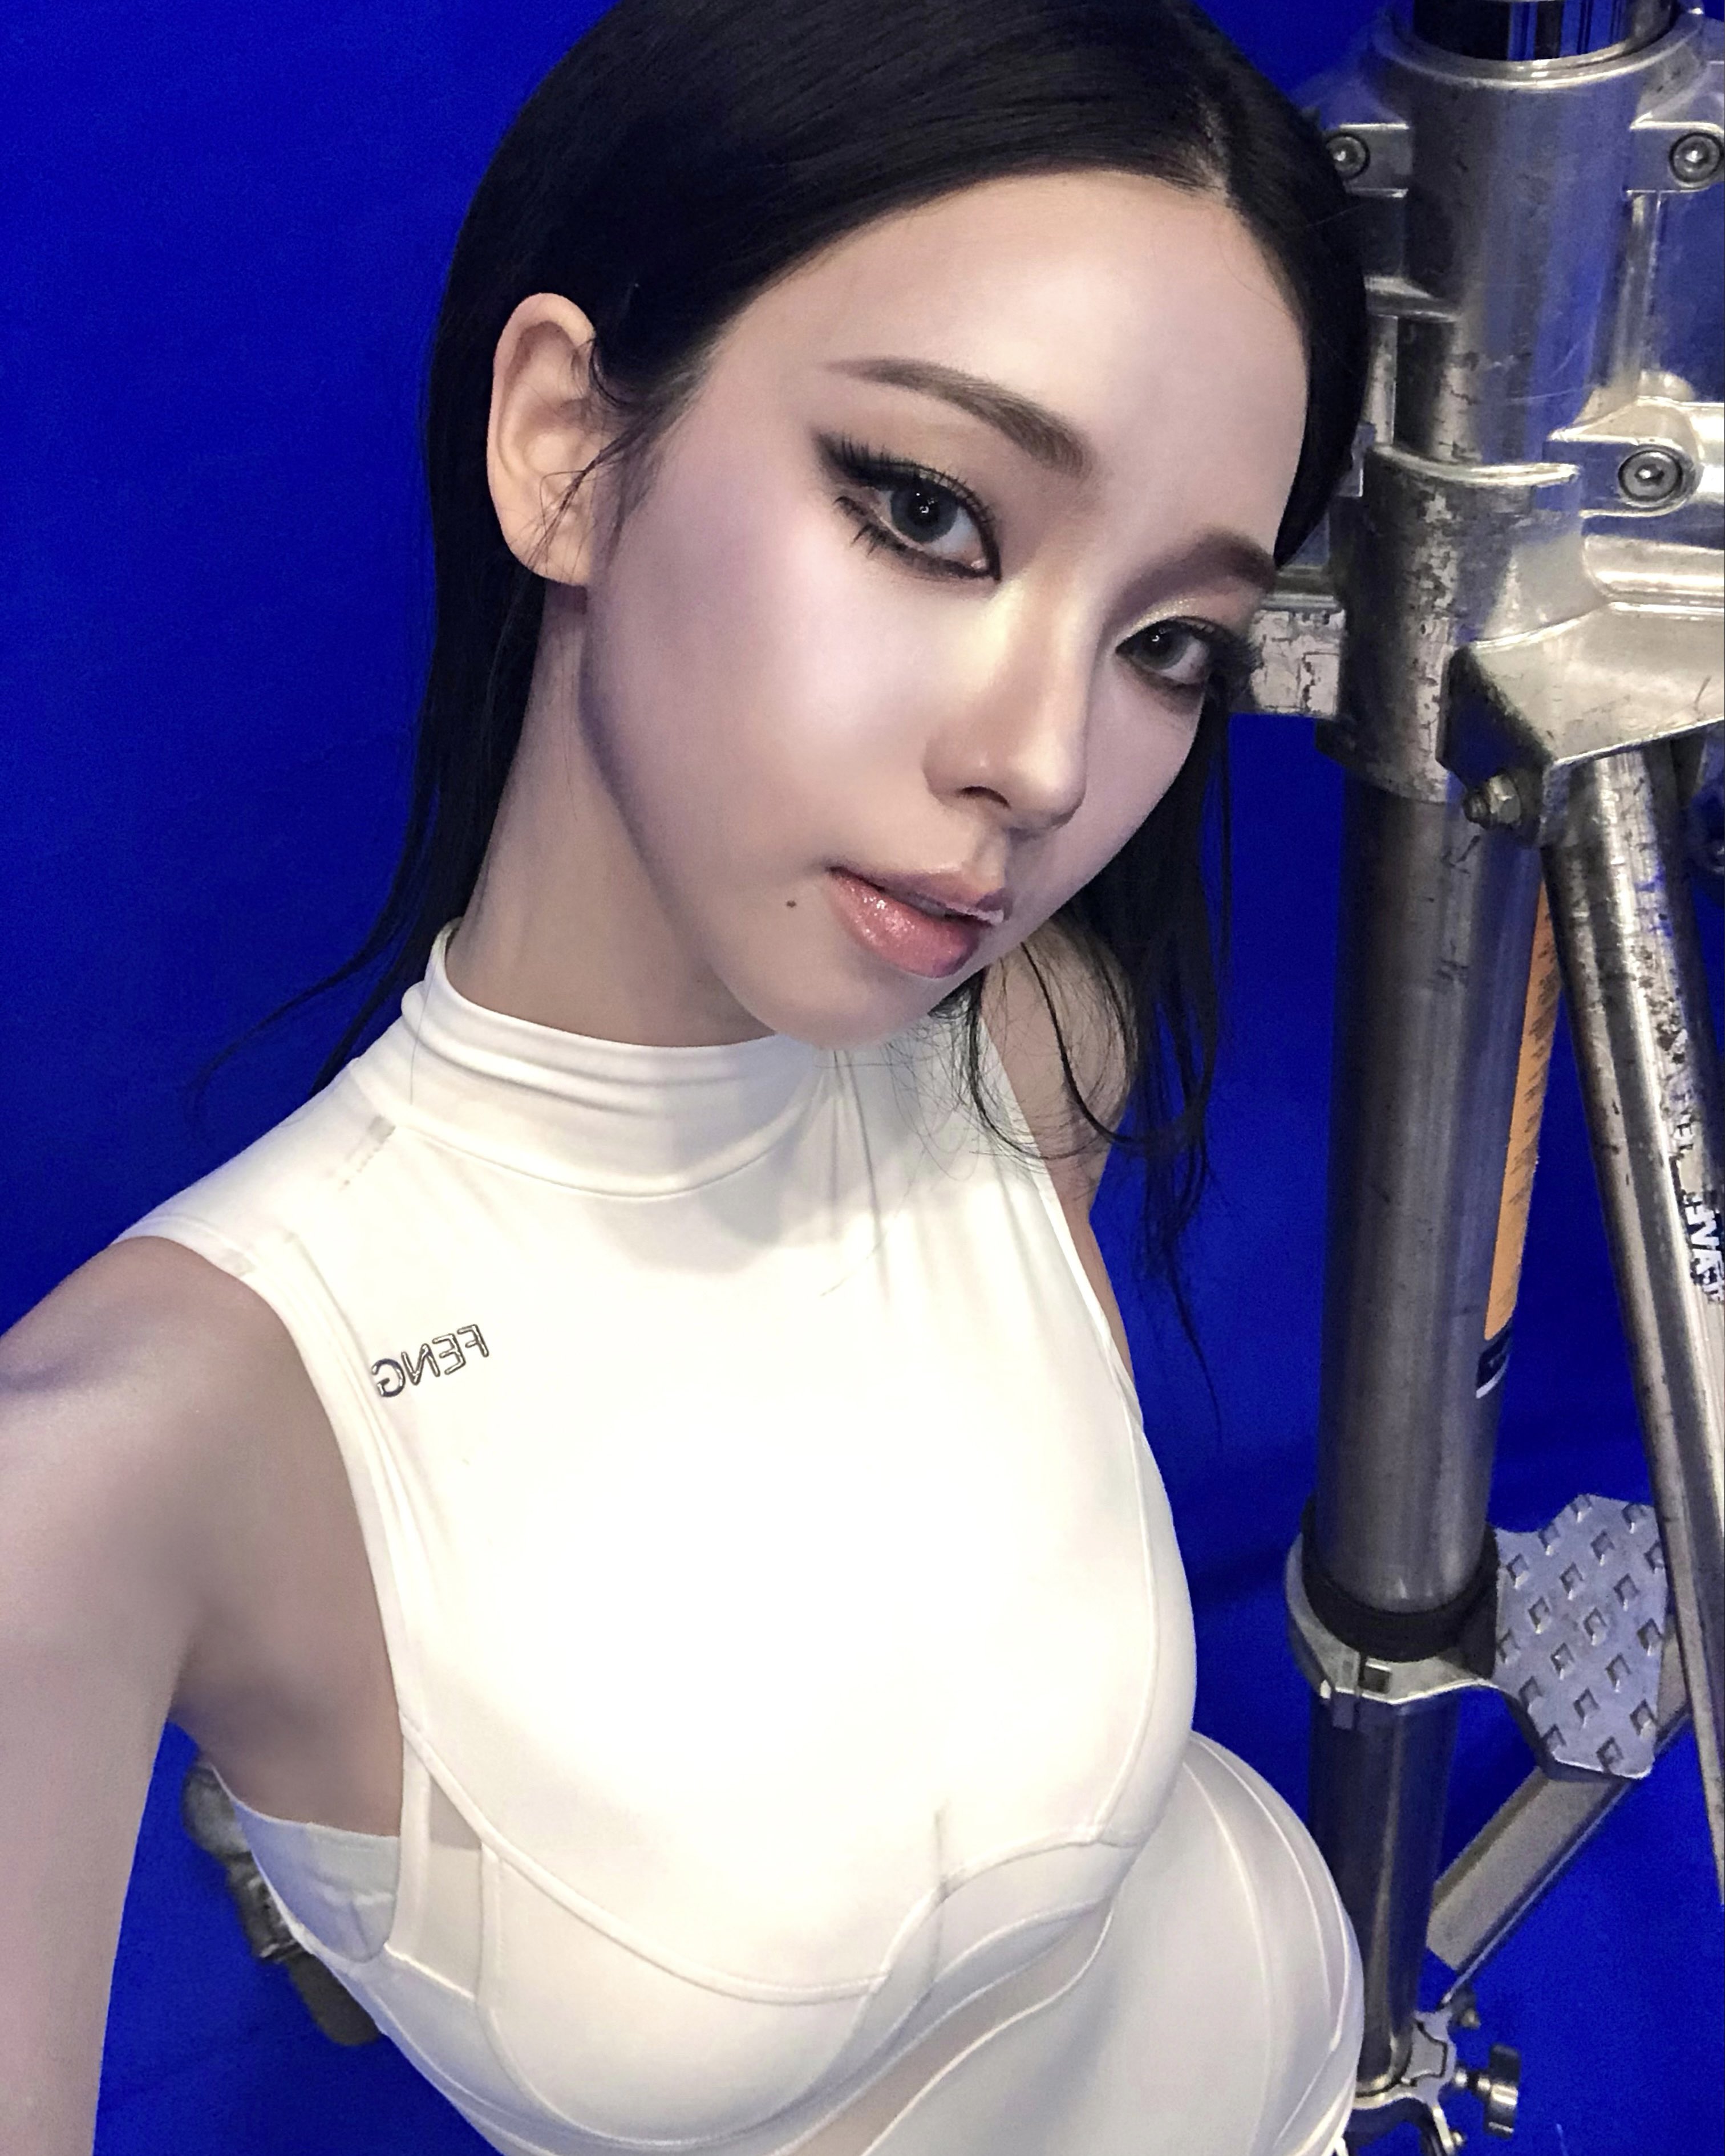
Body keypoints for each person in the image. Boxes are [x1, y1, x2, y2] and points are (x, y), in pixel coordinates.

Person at [0, 1, 1372, 2150]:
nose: (1042, 760)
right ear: (563, 443)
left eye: (1168, 643)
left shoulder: (1042, 1045)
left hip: (1281, 2039)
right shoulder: (119, 1470)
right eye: (928, 509)